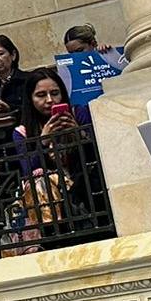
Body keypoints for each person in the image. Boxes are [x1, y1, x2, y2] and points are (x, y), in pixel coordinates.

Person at [11, 68, 97, 254]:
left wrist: (78, 134)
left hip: (84, 185)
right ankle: (54, 237)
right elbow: (28, 169)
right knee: (39, 181)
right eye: (41, 95)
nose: (50, 100)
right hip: (51, 197)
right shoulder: (22, 132)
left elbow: (97, 155)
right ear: (30, 99)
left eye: (55, 93)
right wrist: (43, 140)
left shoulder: (78, 113)